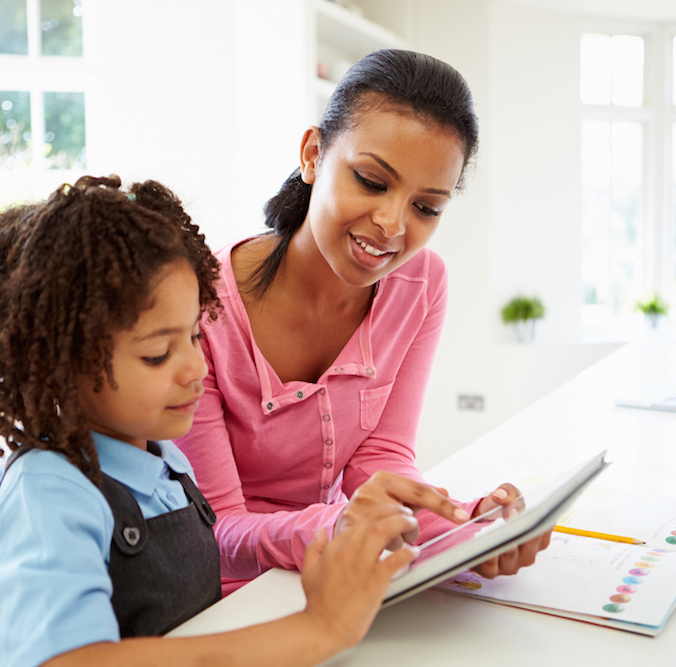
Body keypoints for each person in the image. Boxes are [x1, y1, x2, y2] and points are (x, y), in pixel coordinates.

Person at [0, 175, 455, 667]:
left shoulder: (163, 463)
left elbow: (199, 591)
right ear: (56, 364)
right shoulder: (47, 494)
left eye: (191, 337)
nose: (197, 366)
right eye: (158, 355)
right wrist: (315, 629)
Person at [174, 49, 551, 595]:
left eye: (427, 207)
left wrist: (463, 526)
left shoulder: (421, 285)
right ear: (312, 155)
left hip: (332, 571)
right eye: (372, 181)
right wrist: (342, 527)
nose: (392, 224)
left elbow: (380, 457)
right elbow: (218, 531)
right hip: (222, 595)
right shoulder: (196, 300)